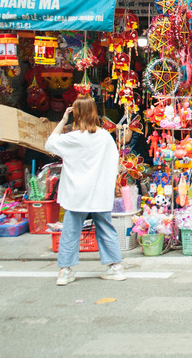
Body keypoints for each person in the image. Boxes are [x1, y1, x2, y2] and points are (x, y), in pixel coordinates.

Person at [45, 96, 125, 286]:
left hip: (77, 192)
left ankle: (65, 270)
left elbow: (49, 144)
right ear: (94, 112)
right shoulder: (104, 136)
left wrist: (63, 120)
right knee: (106, 228)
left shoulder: (72, 138)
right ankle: (116, 267)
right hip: (99, 191)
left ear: (77, 114)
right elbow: (114, 162)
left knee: (71, 231)